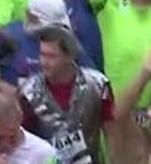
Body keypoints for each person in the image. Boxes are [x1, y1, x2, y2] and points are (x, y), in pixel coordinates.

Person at [17, 25, 114, 163]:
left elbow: (112, 133)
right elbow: (23, 141)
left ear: (70, 56)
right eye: (42, 54)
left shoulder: (98, 85)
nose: (44, 62)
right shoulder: (28, 93)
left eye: (51, 56)